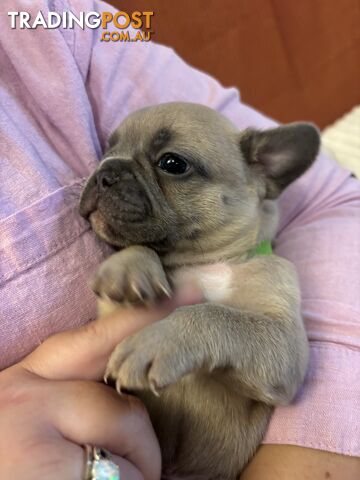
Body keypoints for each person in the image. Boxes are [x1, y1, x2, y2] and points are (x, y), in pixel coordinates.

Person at [0, 0, 359, 478]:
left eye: (171, 164)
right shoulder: (141, 260)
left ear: (261, 174)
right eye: (113, 152)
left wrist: (204, 329)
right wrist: (133, 262)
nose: (109, 175)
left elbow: (284, 373)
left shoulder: (266, 272)